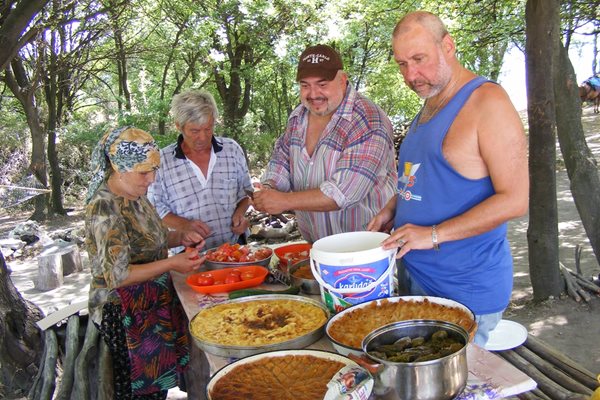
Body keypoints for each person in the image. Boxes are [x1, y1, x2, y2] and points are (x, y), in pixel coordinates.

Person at [368, 11, 529, 346]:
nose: (411, 74)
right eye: (402, 64)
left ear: (448, 46)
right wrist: (392, 209)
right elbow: (423, 178)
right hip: (416, 277)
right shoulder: (429, 104)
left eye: (419, 59)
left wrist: (434, 234)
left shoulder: (487, 103)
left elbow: (515, 199)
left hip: (462, 290)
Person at [85, 126, 206, 399]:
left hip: (149, 305)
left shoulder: (136, 197)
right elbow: (118, 275)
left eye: (154, 170)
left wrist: (181, 235)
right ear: (119, 168)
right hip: (124, 316)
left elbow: (155, 239)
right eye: (143, 172)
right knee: (138, 393)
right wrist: (173, 263)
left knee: (157, 388)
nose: (151, 179)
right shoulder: (104, 207)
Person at [253, 44, 397, 243]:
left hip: (365, 249)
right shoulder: (298, 117)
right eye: (305, 85)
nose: (313, 94)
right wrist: (269, 187)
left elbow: (344, 193)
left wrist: (283, 201)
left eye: (322, 84)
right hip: (316, 246)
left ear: (343, 80)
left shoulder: (367, 120)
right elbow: (281, 162)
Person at [147, 89, 253, 249]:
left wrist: (240, 215)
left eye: (208, 129)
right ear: (179, 126)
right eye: (195, 131)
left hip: (233, 248)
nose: (203, 137)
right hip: (188, 256)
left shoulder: (231, 150)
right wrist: (184, 225)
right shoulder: (162, 162)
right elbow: (154, 208)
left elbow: (245, 194)